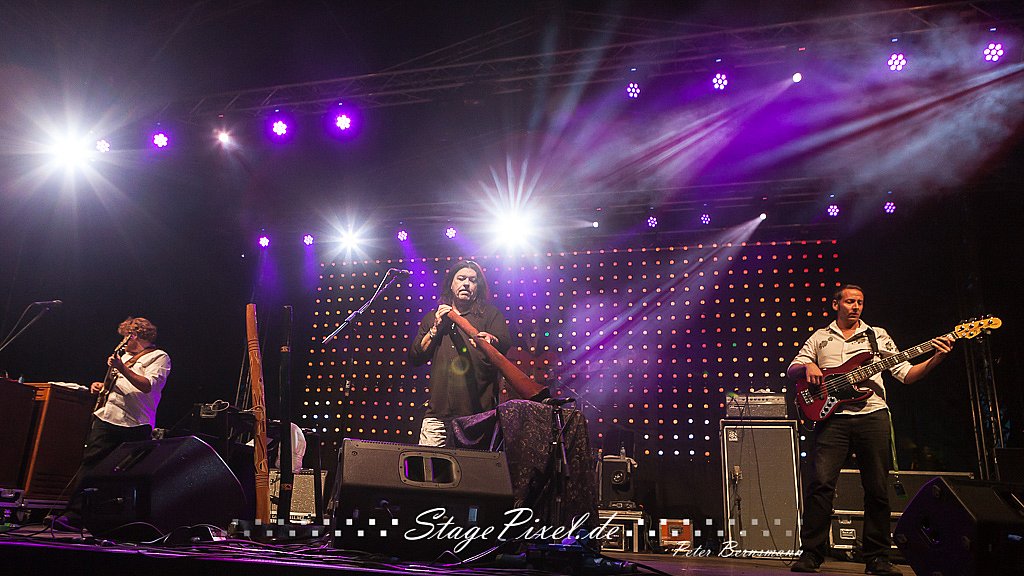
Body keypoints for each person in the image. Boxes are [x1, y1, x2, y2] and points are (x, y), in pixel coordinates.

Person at [788, 285, 953, 574]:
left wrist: (936, 358)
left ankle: (877, 557)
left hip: (872, 416)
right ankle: (811, 554)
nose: (855, 306)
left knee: (876, 488)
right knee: (820, 484)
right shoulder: (820, 337)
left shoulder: (877, 336)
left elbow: (906, 375)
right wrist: (808, 366)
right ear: (836, 305)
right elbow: (793, 369)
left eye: (860, 302)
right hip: (833, 419)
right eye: (850, 301)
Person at [55, 317, 171, 529]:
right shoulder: (124, 357)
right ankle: (73, 515)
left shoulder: (159, 357)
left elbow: (148, 386)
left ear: (134, 335)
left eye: (125, 336)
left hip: (136, 423)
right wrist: (101, 386)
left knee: (127, 474)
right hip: (108, 417)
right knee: (90, 465)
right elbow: (117, 386)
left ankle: (118, 520)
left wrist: (122, 368)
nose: (123, 342)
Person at [410, 260, 510, 447]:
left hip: (476, 417)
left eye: (472, 280)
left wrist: (490, 340)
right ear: (451, 283)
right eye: (461, 278)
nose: (466, 284)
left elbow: (504, 344)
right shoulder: (434, 317)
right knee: (428, 464)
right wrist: (435, 328)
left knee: (473, 465)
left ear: (478, 287)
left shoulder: (490, 315)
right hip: (437, 415)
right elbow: (416, 356)